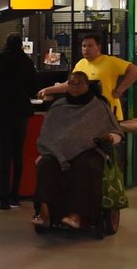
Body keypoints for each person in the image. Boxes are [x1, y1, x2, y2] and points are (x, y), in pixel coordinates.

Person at [32, 70, 123, 232]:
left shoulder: (98, 106)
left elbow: (115, 131)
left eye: (79, 84)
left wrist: (110, 137)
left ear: (87, 85)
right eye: (71, 84)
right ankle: (44, 213)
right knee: (46, 164)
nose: (74, 87)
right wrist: (46, 151)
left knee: (86, 165)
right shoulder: (58, 107)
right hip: (58, 152)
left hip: (89, 150)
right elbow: (48, 133)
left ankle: (78, 215)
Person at [0, 33, 38, 210]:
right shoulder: (27, 63)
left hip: (2, 110)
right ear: (21, 45)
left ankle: (4, 197)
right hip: (21, 110)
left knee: (4, 154)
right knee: (17, 153)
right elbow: (33, 89)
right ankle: (15, 195)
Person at [42, 34, 137, 122]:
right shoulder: (81, 64)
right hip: (86, 113)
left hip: (108, 113)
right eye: (84, 46)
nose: (86, 49)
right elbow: (70, 85)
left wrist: (120, 90)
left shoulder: (110, 61)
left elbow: (135, 70)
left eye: (90, 46)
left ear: (98, 47)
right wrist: (48, 90)